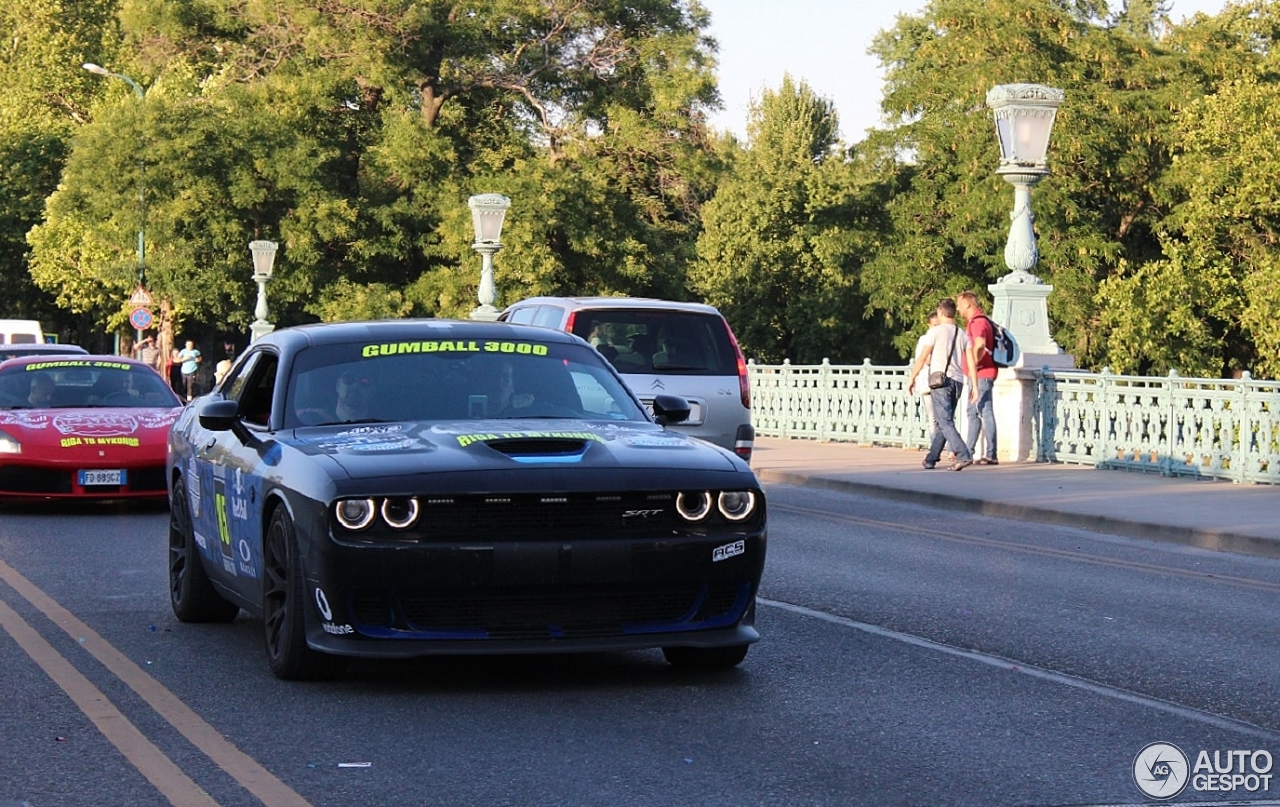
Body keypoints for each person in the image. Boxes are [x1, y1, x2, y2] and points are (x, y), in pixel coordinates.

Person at [906, 298, 977, 471]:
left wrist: (912, 378)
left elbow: (922, 358)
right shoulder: (962, 334)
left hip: (940, 382)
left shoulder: (935, 332)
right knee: (944, 422)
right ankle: (931, 458)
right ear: (953, 313)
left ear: (940, 312)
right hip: (958, 382)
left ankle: (963, 455)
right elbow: (971, 360)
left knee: (944, 422)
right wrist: (974, 385)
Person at [957, 291, 999, 465]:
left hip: (981, 374)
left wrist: (973, 362)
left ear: (968, 305)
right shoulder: (982, 320)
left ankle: (991, 454)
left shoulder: (977, 322)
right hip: (982, 373)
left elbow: (980, 344)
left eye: (959, 304)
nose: (958, 308)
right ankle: (968, 451)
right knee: (973, 412)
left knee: (984, 411)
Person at [910, 310, 940, 433]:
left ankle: (947, 447)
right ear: (929, 325)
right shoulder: (924, 339)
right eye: (934, 326)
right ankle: (935, 446)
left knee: (944, 418)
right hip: (929, 381)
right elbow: (924, 360)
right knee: (933, 417)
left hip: (943, 381)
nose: (937, 329)